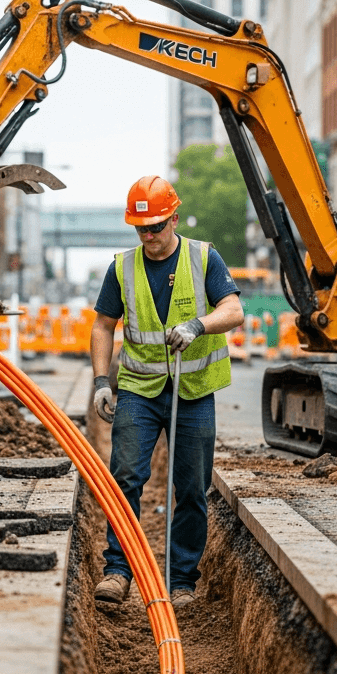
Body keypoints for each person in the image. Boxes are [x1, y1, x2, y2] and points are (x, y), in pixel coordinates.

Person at [89, 175, 244, 610]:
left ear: (174, 218)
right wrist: (102, 381)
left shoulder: (203, 257)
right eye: (141, 229)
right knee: (125, 479)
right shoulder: (122, 266)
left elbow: (233, 309)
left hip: (193, 390)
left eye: (156, 226)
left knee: (191, 488)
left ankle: (181, 581)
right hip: (139, 389)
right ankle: (118, 572)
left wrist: (198, 325)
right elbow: (104, 325)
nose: (150, 236)